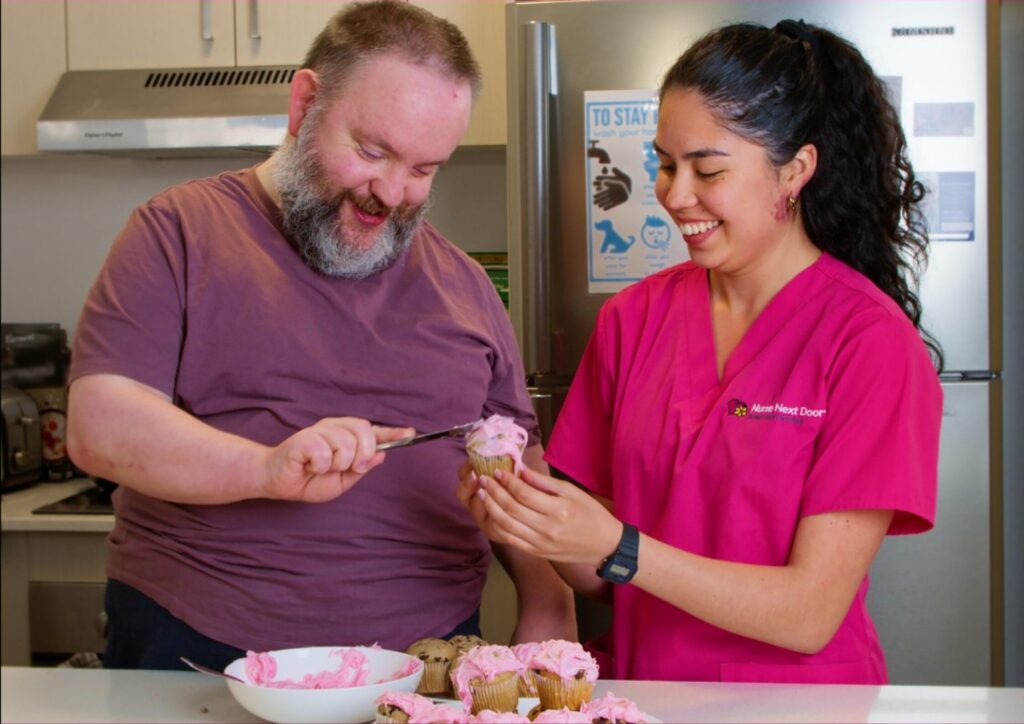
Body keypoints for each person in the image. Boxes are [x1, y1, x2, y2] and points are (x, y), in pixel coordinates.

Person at [66, 0, 575, 671]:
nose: (391, 193)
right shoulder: (177, 233)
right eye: (372, 151)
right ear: (305, 103)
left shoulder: (467, 285)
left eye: (425, 170)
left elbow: (509, 459)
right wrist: (265, 469)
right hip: (195, 650)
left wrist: (546, 588)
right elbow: (99, 426)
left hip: (430, 663)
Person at [458, 19, 943, 685]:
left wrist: (620, 547)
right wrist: (524, 515)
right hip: (645, 693)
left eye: (707, 169)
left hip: (798, 708)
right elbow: (603, 576)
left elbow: (809, 612)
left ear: (795, 171)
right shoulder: (633, 319)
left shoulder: (869, 342)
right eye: (664, 164)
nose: (674, 195)